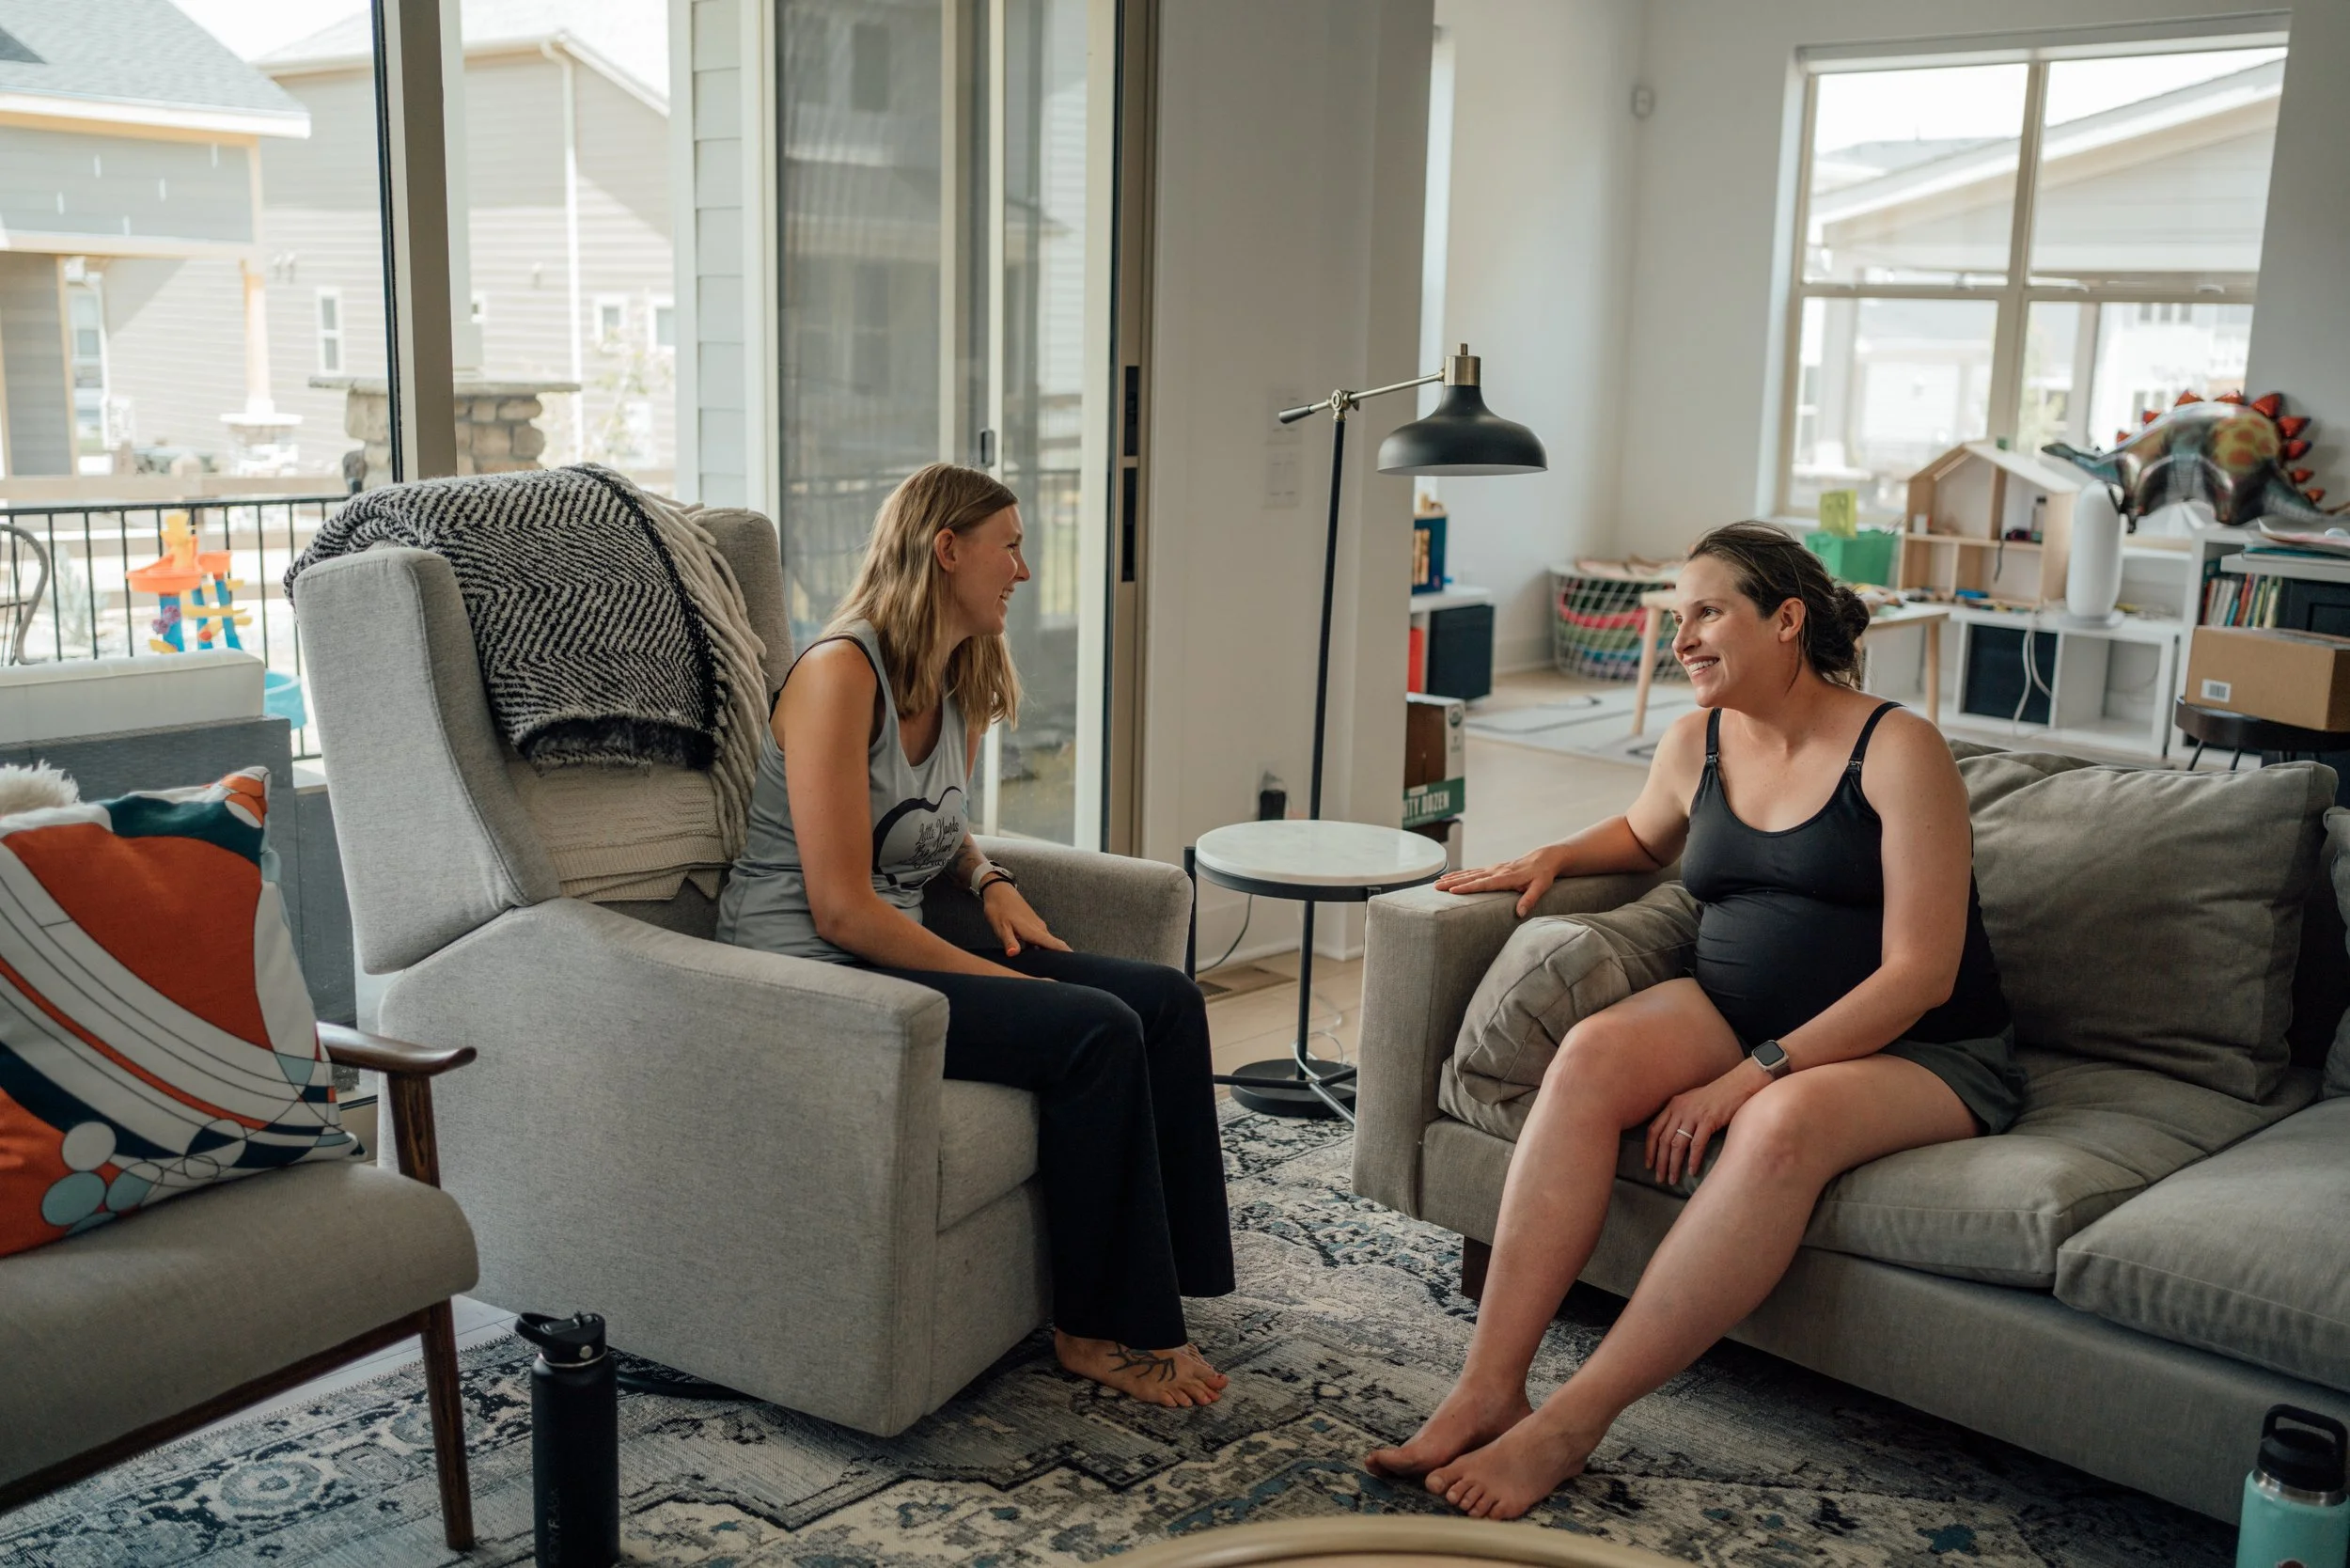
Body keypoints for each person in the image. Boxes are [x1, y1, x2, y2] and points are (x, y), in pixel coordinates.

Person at [1366, 520, 2021, 1516]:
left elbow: (1921, 976)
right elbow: (1642, 833)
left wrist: (1748, 1074)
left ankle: (1570, 1426)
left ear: (1787, 620)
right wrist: (1555, 855)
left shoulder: (1898, 749)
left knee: (1778, 1124)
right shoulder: (1696, 741)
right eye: (1678, 619)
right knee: (1588, 1055)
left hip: (1918, 1048)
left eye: (1708, 613)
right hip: (1732, 1004)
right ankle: (1486, 1389)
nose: (1682, 641)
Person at [718, 463, 1235, 1407]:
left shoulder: (954, 675)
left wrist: (985, 877)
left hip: (883, 946)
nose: (1025, 572)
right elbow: (838, 905)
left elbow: (920, 819)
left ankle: (1175, 1287)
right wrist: (1000, 984)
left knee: (1164, 1000)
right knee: (1091, 1029)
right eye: (1011, 547)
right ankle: (1094, 1330)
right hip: (810, 972)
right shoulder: (840, 672)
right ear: (947, 549)